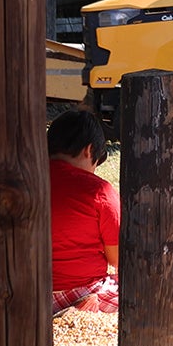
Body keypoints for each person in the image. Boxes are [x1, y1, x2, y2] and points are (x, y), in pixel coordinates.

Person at [48, 109, 121, 315]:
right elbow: (117, 258)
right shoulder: (99, 191)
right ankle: (81, 307)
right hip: (83, 288)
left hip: (24, 291)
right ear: (89, 151)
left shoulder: (22, 182)